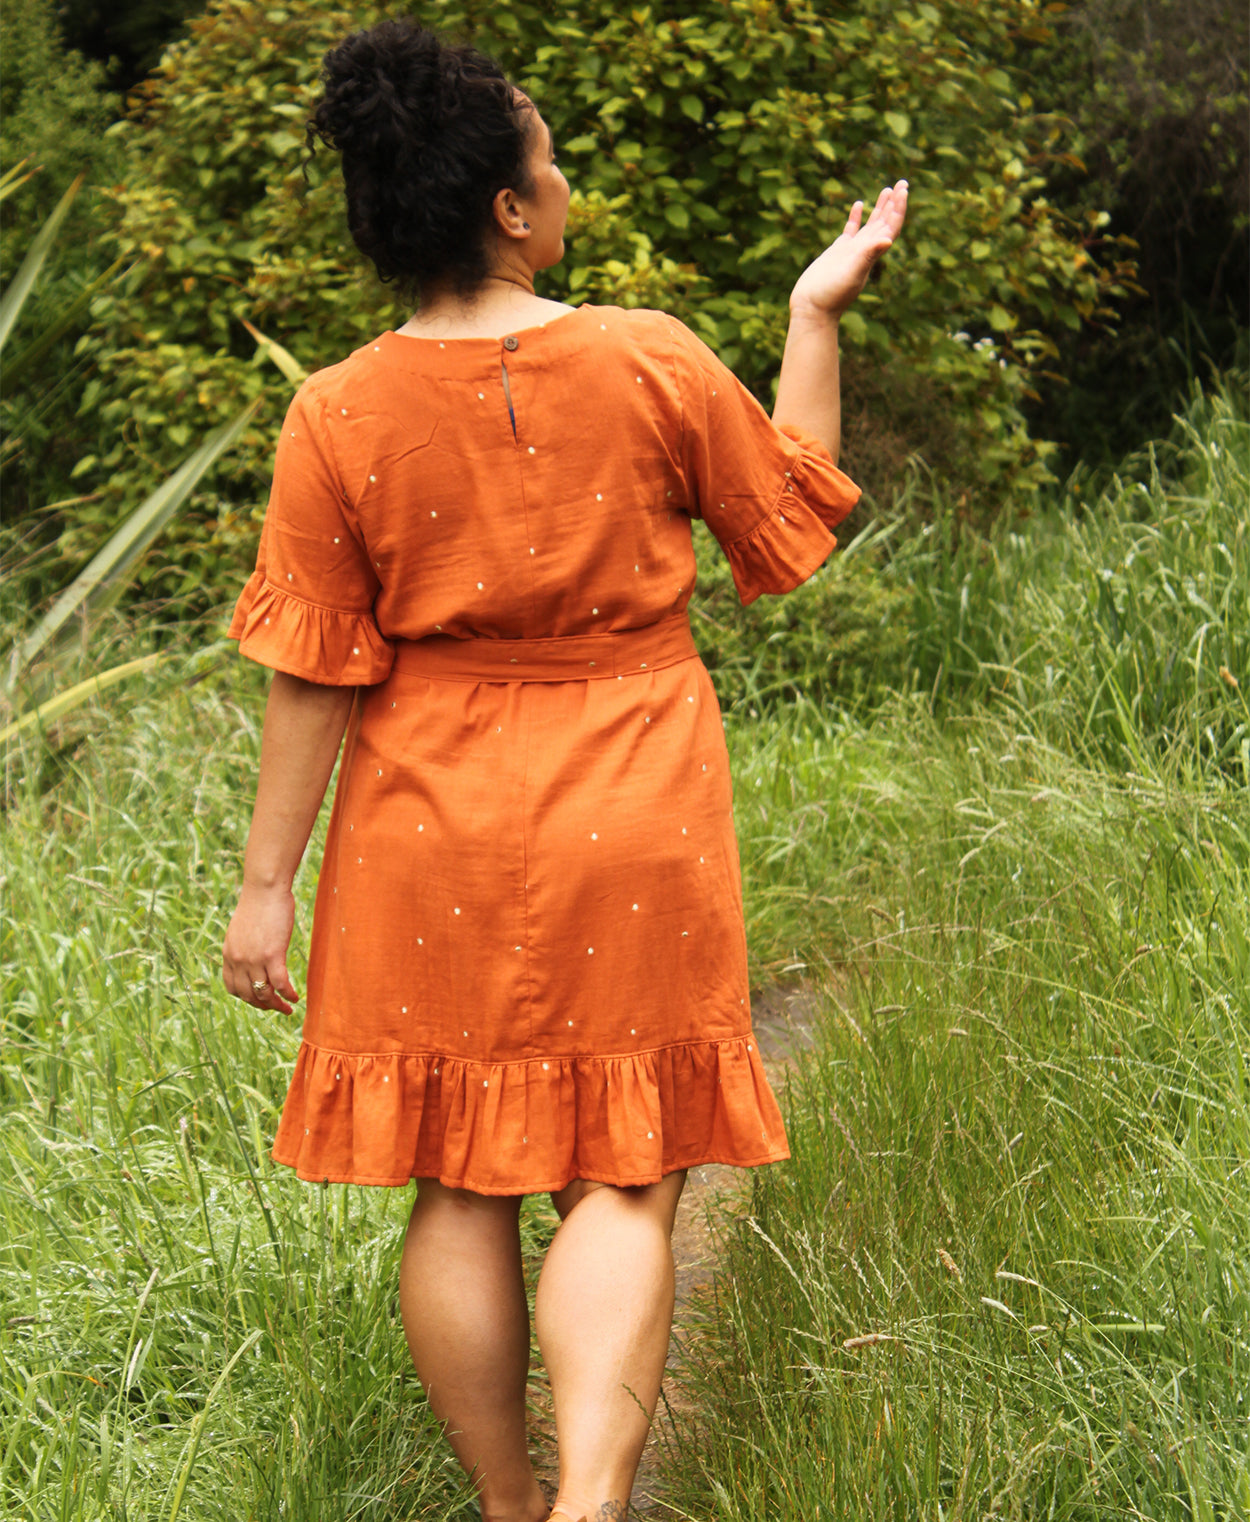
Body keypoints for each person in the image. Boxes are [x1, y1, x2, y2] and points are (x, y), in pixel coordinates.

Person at [221, 18, 906, 1522]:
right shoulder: (646, 356)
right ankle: (595, 1506)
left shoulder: (333, 411)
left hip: (424, 817)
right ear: (510, 213)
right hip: (632, 789)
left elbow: (312, 670)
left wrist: (266, 888)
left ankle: (512, 1506)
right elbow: (786, 523)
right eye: (548, 156)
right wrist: (813, 313)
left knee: (457, 1179)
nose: (562, 172)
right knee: (626, 1161)